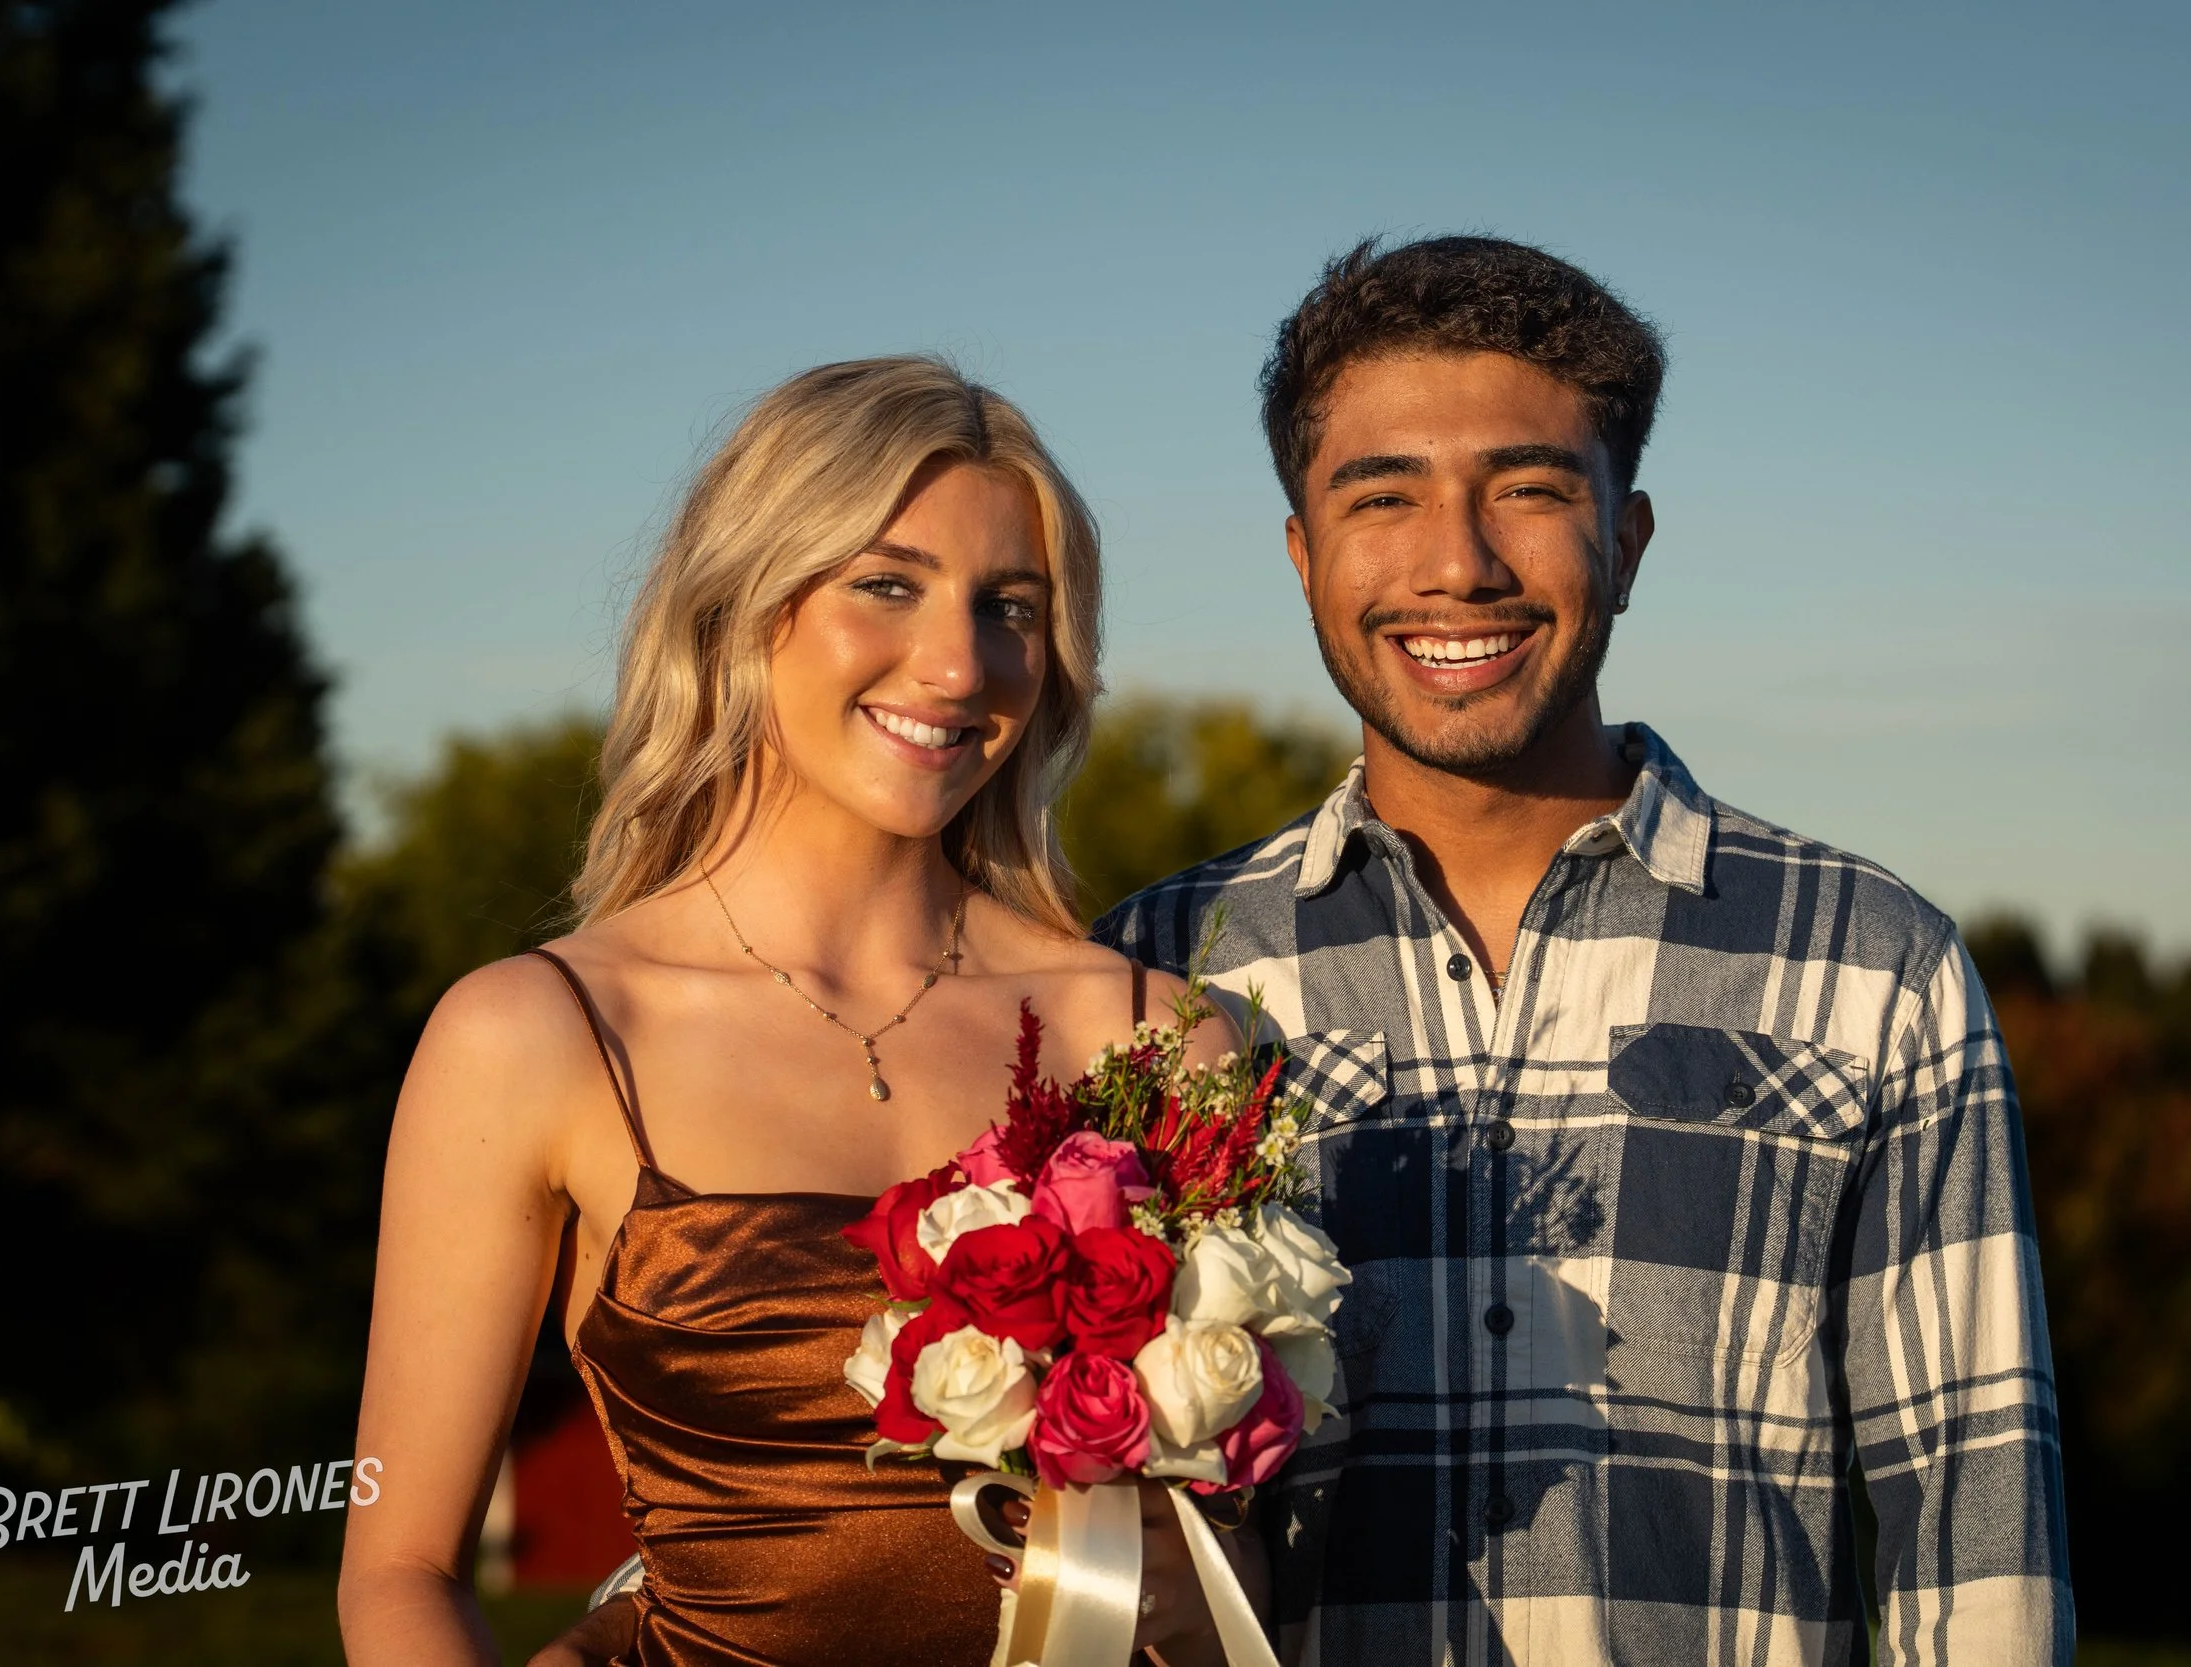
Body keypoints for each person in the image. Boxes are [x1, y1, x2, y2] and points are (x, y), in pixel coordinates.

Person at [1097, 236, 2076, 1666]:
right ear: (1304, 553)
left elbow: (1976, 1537)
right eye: (1385, 496)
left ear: (1627, 539)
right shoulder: (1160, 973)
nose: (1458, 562)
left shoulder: (1874, 961)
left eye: (1532, 490)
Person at [337, 357, 1260, 1666]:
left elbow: (1235, 1582)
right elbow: (400, 1568)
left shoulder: (1150, 1041)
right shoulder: (538, 1037)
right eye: (886, 583)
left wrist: (1189, 1593)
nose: (956, 663)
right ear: (741, 604)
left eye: (1011, 607)